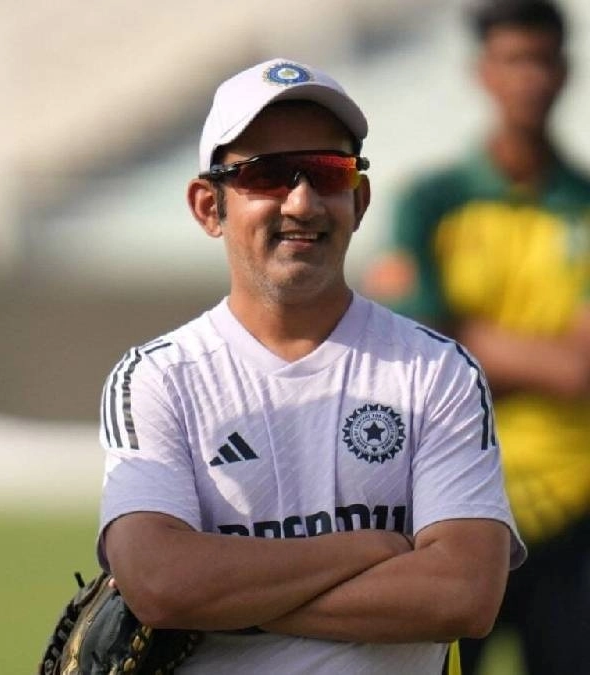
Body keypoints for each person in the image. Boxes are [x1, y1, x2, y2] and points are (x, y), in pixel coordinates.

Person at [96, 57, 525, 674]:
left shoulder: (436, 369)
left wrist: (222, 596)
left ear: (360, 198)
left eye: (327, 172)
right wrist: (372, 548)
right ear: (208, 206)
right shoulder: (157, 378)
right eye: (267, 175)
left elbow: (463, 594)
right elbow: (160, 583)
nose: (301, 202)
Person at [363, 1, 590, 672]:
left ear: (565, 70)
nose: (529, 78)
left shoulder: (583, 204)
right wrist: (543, 355)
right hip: (449, 503)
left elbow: (580, 369)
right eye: (513, 60)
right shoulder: (430, 201)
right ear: (482, 72)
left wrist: (462, 341)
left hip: (574, 508)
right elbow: (410, 349)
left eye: (541, 59)